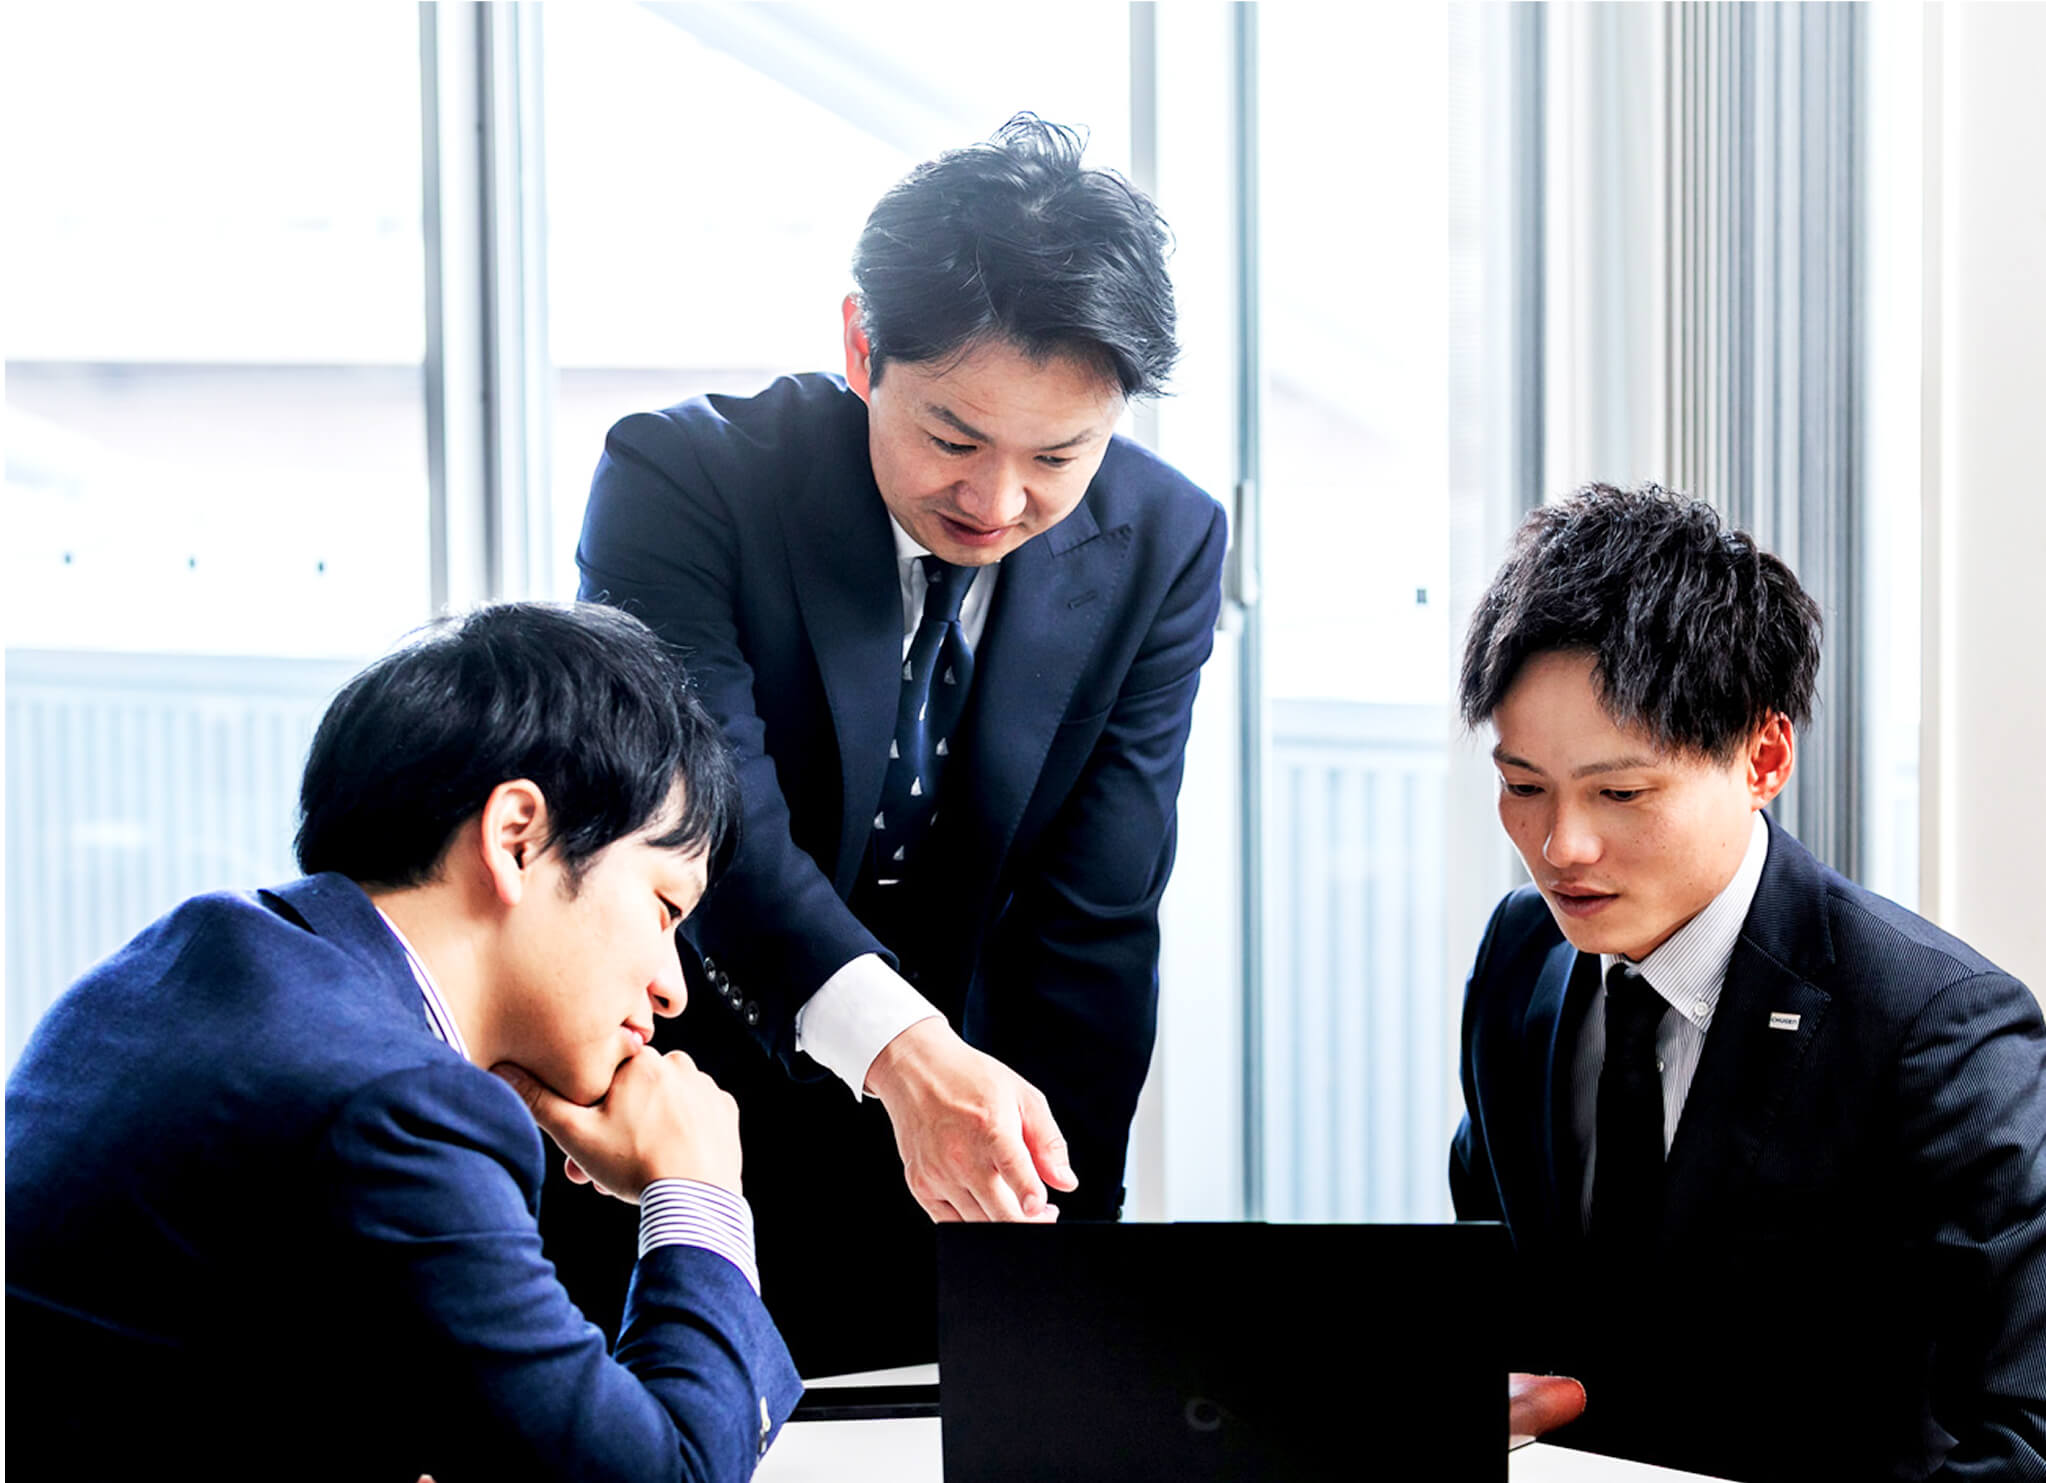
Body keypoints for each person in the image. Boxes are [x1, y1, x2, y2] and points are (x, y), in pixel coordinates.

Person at [557, 114, 1228, 1373]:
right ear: (862, 344)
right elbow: (711, 820)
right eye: (954, 439)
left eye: (1059, 455)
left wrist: (1058, 1259)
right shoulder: (683, 482)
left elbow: (1093, 925)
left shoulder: (1165, 545)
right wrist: (904, 1056)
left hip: (958, 1171)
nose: (997, 501)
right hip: (677, 1139)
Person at [5, 603, 803, 1481]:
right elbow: (667, 1474)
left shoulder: (171, 973)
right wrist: (695, 1190)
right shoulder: (395, 1105)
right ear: (518, 837)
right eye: (664, 907)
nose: (672, 987)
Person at [1450, 485, 2046, 1481]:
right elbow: (1495, 1278)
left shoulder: (1935, 1025)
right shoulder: (1521, 954)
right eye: (1523, 786)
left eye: (1620, 791)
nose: (1561, 846)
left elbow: (2025, 1442)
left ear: (1763, 756)